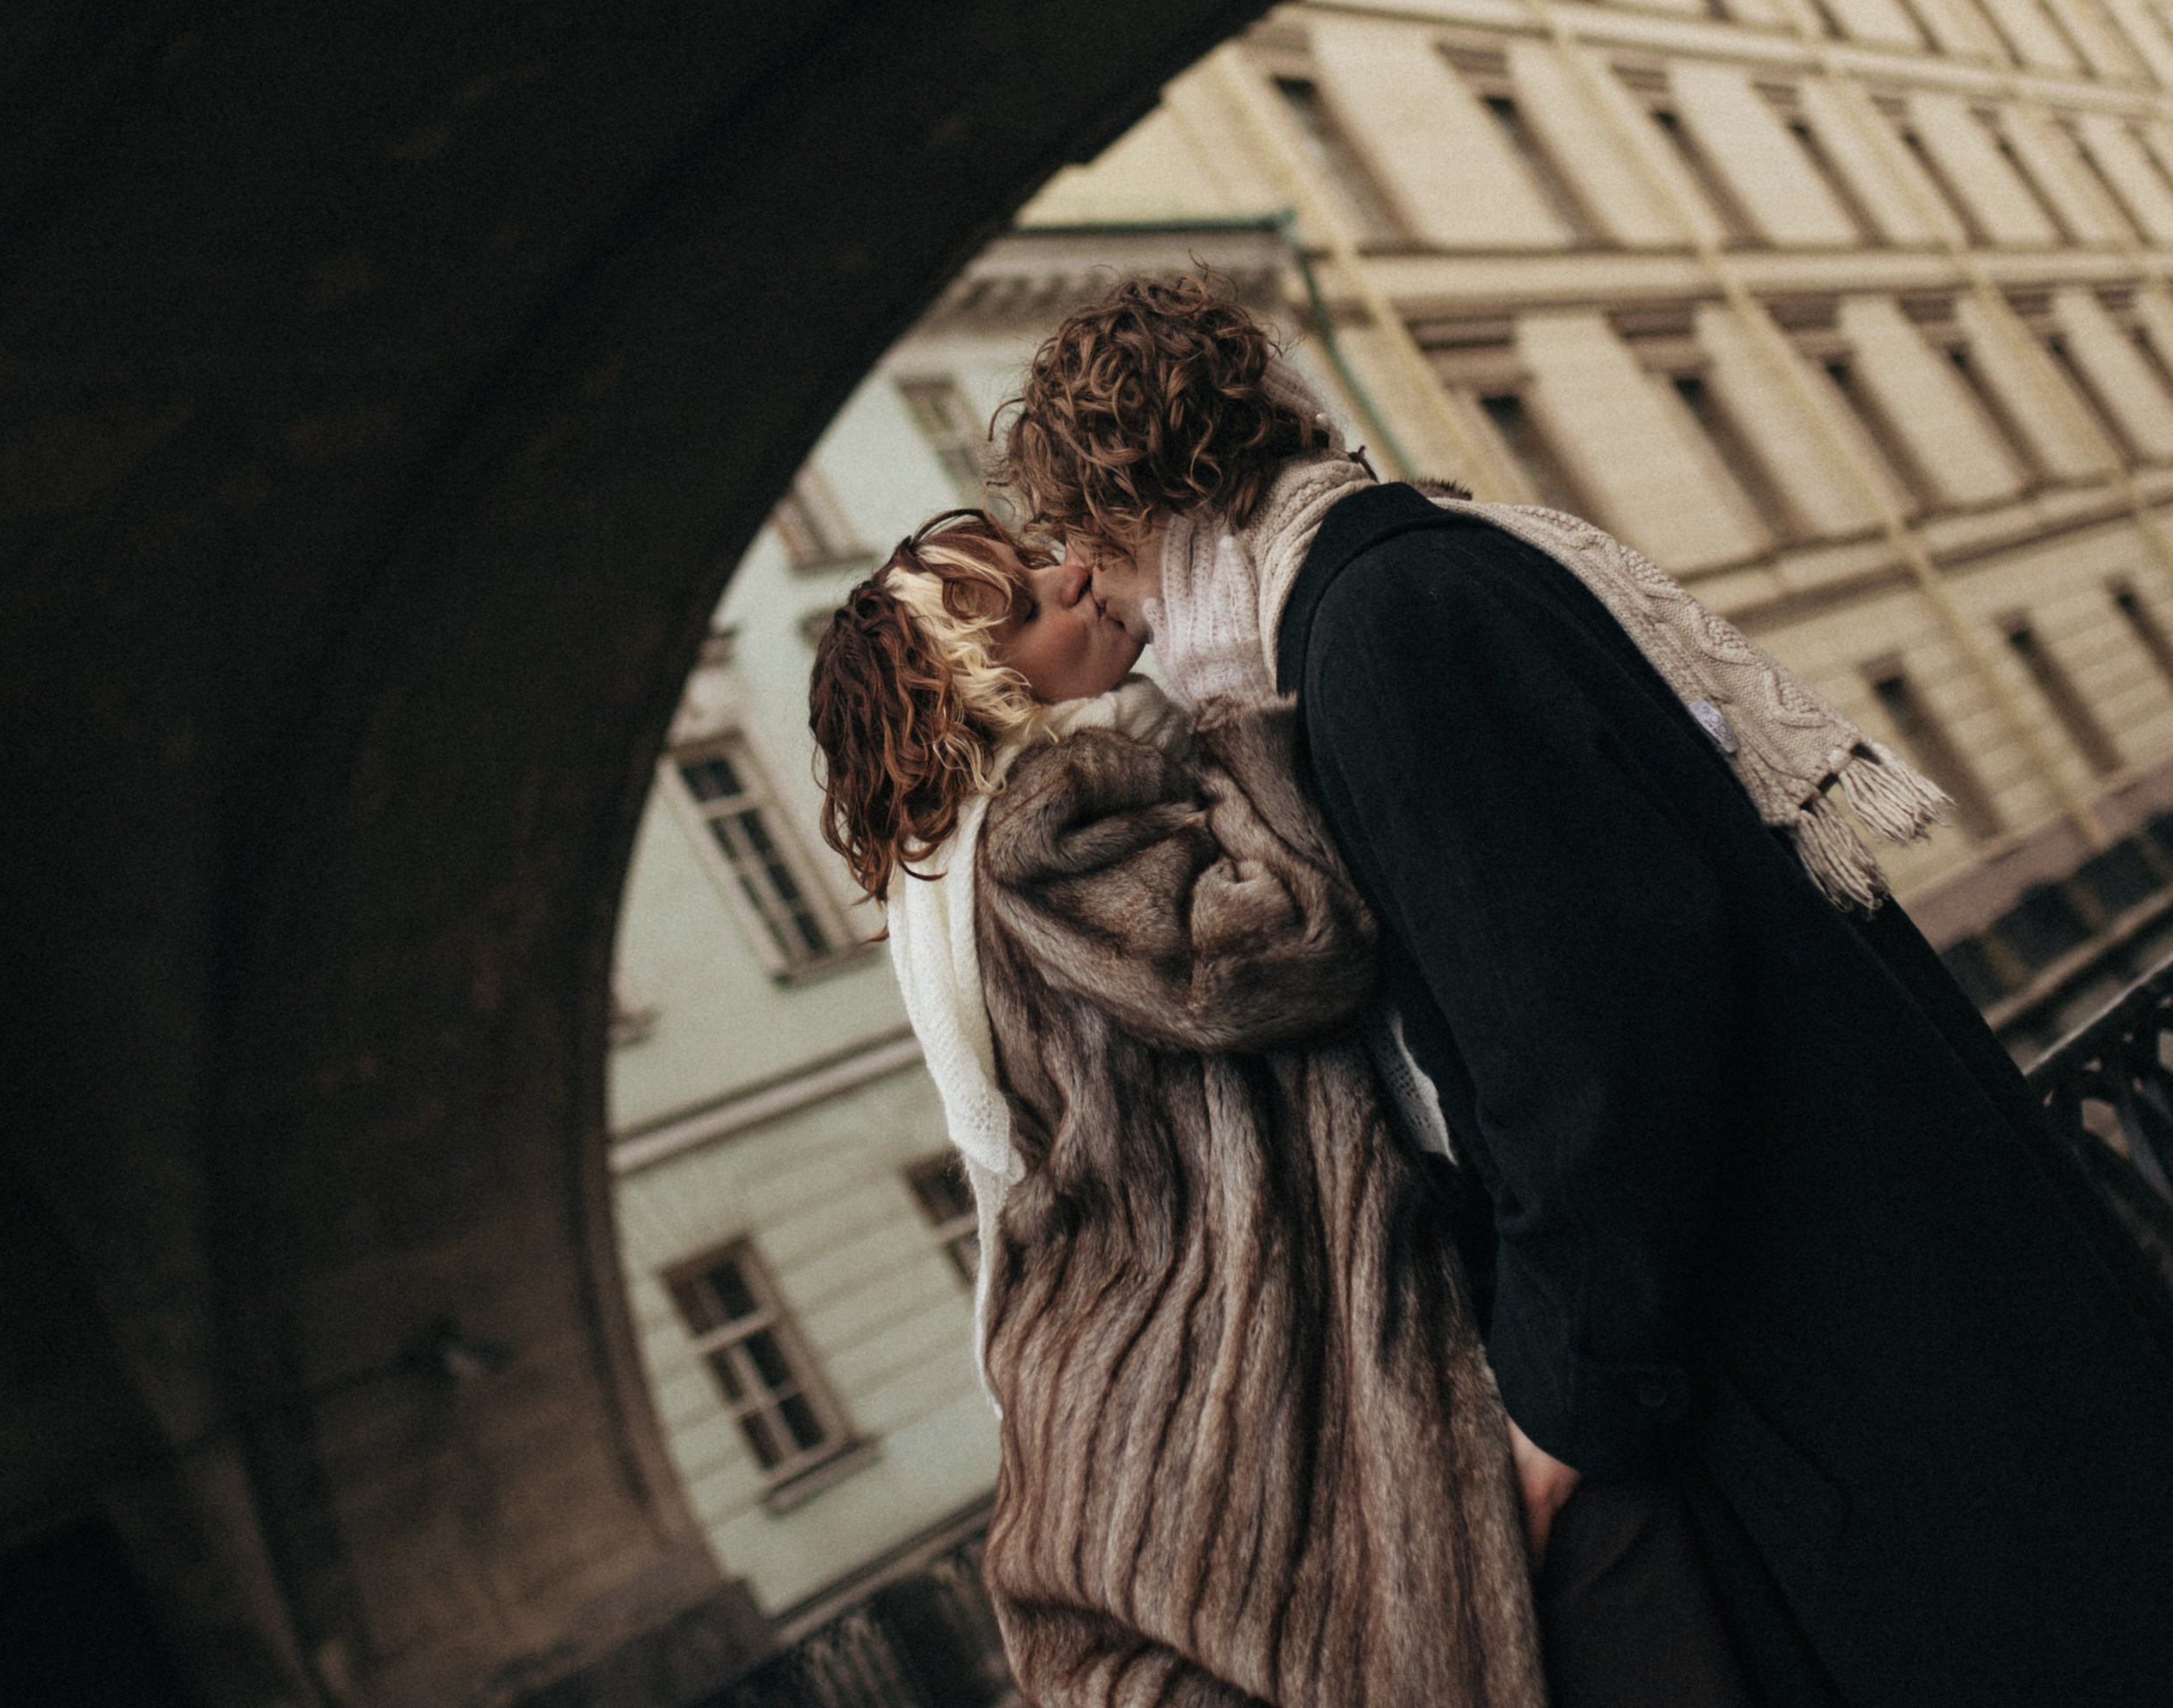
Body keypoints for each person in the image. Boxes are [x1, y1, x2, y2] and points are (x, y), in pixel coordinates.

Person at [990, 274, 2173, 1708]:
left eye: (1082, 545)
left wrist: (1560, 1412)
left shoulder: (1376, 633)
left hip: (1844, 1363)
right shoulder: (1427, 564)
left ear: (1142, 504)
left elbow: (1583, 1058)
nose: (1095, 591)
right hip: (1910, 1303)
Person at [808, 511, 1547, 1708]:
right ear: (985, 685)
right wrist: (1234, 708)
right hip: (1232, 1369)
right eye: (1030, 602)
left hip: (1168, 1369)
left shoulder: (1002, 848)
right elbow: (1289, 944)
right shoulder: (1048, 826)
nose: (1075, 574)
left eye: (1043, 560)